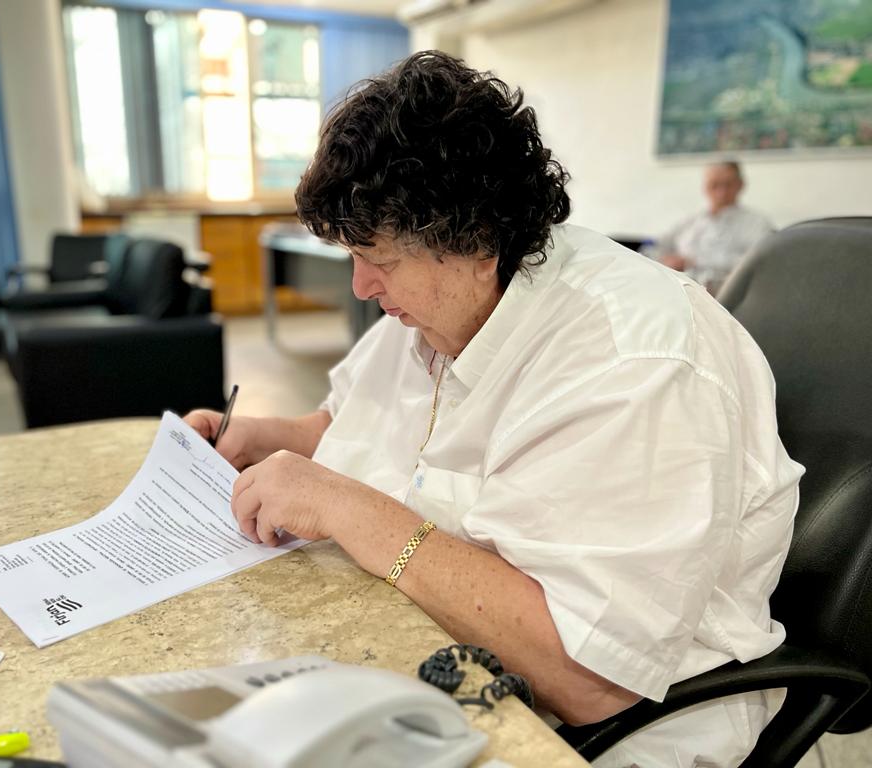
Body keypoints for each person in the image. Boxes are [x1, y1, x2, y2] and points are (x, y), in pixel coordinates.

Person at [185, 51, 802, 768]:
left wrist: (346, 508)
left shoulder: (637, 364)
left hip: (591, 734)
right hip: (428, 653)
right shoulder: (438, 303)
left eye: (378, 258)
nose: (359, 287)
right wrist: (267, 438)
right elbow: (352, 425)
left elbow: (587, 678)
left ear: (476, 241)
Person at [658, 161, 774, 294]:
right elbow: (659, 247)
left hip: (729, 298)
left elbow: (759, 263)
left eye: (728, 184)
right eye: (714, 185)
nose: (721, 192)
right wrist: (666, 261)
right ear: (705, 187)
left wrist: (693, 261)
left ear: (740, 185)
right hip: (679, 294)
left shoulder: (757, 224)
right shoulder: (689, 222)